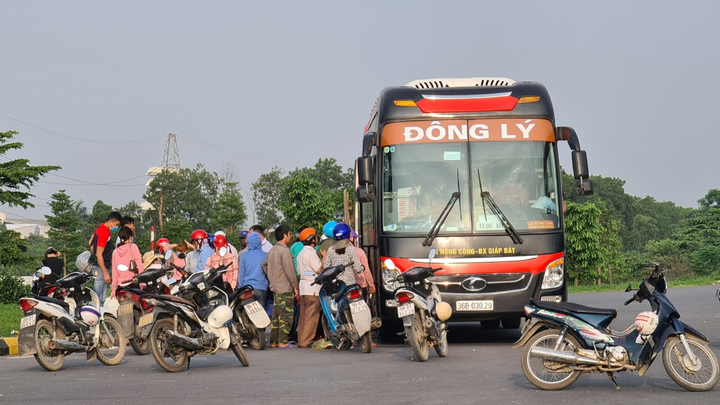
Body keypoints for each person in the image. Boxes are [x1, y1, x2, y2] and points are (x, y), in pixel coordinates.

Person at [261, 224, 298, 348]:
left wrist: (272, 275)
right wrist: (295, 286)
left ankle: (274, 341)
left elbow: (264, 265)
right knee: (286, 317)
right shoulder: (285, 250)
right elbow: (290, 271)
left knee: (276, 316)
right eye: (290, 234)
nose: (291, 236)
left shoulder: (272, 250)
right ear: (285, 235)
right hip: (285, 288)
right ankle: (283, 341)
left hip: (275, 288)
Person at [296, 228, 324, 348]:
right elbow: (319, 270)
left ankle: (301, 339)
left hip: (303, 288)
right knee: (311, 316)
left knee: (303, 316)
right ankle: (305, 341)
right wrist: (324, 258)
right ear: (312, 239)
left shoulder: (300, 254)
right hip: (312, 289)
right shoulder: (311, 254)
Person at [90, 211, 122, 306]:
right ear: (111, 222)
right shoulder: (104, 233)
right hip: (101, 268)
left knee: (98, 296)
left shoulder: (99, 229)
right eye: (117, 225)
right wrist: (105, 273)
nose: (116, 227)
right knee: (99, 298)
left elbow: (90, 244)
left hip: (98, 266)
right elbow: (99, 254)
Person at [324, 223, 364, 288]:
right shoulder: (351, 249)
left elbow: (326, 268)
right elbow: (358, 269)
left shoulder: (330, 250)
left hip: (336, 286)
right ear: (348, 235)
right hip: (349, 285)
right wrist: (362, 268)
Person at [238, 232, 270, 309]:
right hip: (262, 288)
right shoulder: (266, 255)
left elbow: (241, 274)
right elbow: (268, 273)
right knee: (261, 312)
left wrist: (240, 288)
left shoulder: (244, 256)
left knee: (249, 312)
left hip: (248, 288)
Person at [110, 226, 144, 298]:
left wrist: (114, 290)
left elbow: (114, 272)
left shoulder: (115, 252)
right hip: (133, 284)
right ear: (130, 237)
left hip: (120, 287)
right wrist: (142, 283)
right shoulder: (133, 247)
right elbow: (140, 266)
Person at [350, 229, 375, 300]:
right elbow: (366, 270)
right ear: (351, 238)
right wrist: (371, 285)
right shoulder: (360, 251)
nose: (356, 240)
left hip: (345, 288)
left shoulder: (336, 252)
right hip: (360, 286)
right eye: (355, 238)